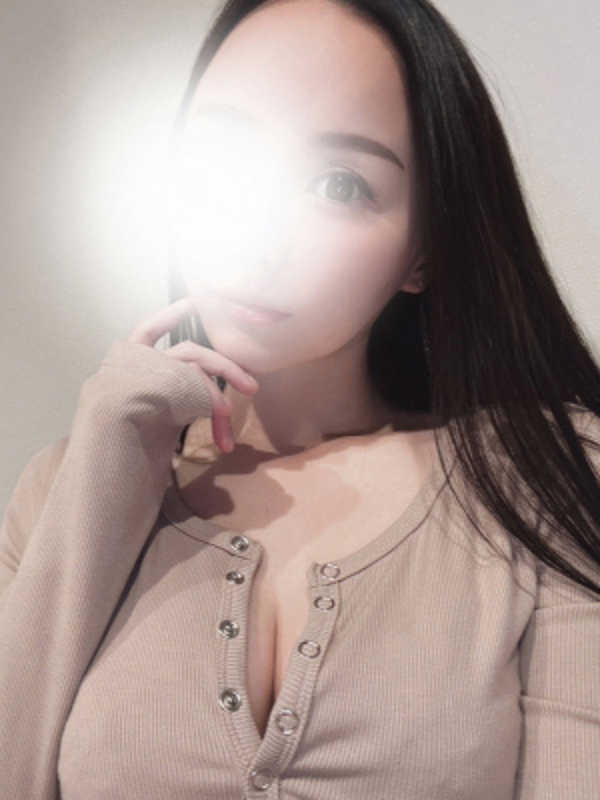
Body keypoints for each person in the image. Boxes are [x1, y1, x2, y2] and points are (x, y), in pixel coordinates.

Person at [1, 1, 599, 798]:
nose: (266, 234)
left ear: (422, 251)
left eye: (340, 184)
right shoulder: (62, 489)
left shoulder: (545, 477)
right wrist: (108, 456)